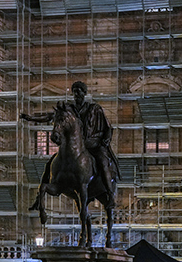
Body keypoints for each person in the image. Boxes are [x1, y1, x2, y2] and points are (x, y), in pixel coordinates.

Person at [21, 80, 120, 208]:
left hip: (92, 144)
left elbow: (108, 127)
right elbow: (50, 116)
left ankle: (110, 195)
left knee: (102, 161)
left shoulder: (94, 109)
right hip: (76, 146)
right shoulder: (69, 110)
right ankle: (39, 198)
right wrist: (30, 118)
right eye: (74, 92)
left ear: (84, 93)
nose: (76, 94)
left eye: (79, 92)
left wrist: (104, 141)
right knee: (50, 164)